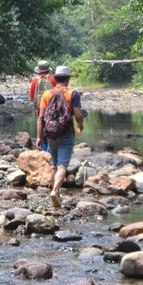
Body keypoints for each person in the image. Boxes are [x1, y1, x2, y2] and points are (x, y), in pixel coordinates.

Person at [35, 65, 84, 209]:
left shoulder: (46, 94)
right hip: (66, 132)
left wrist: (39, 136)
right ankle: (55, 191)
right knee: (63, 165)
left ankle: (54, 190)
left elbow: (41, 117)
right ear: (68, 79)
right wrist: (80, 125)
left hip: (50, 133)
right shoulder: (72, 94)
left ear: (55, 79)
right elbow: (78, 114)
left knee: (54, 165)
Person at [28, 60, 55, 134]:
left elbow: (31, 98)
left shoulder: (34, 80)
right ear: (48, 70)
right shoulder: (53, 79)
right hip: (53, 110)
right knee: (52, 129)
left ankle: (41, 143)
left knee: (41, 131)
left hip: (40, 110)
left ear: (38, 70)